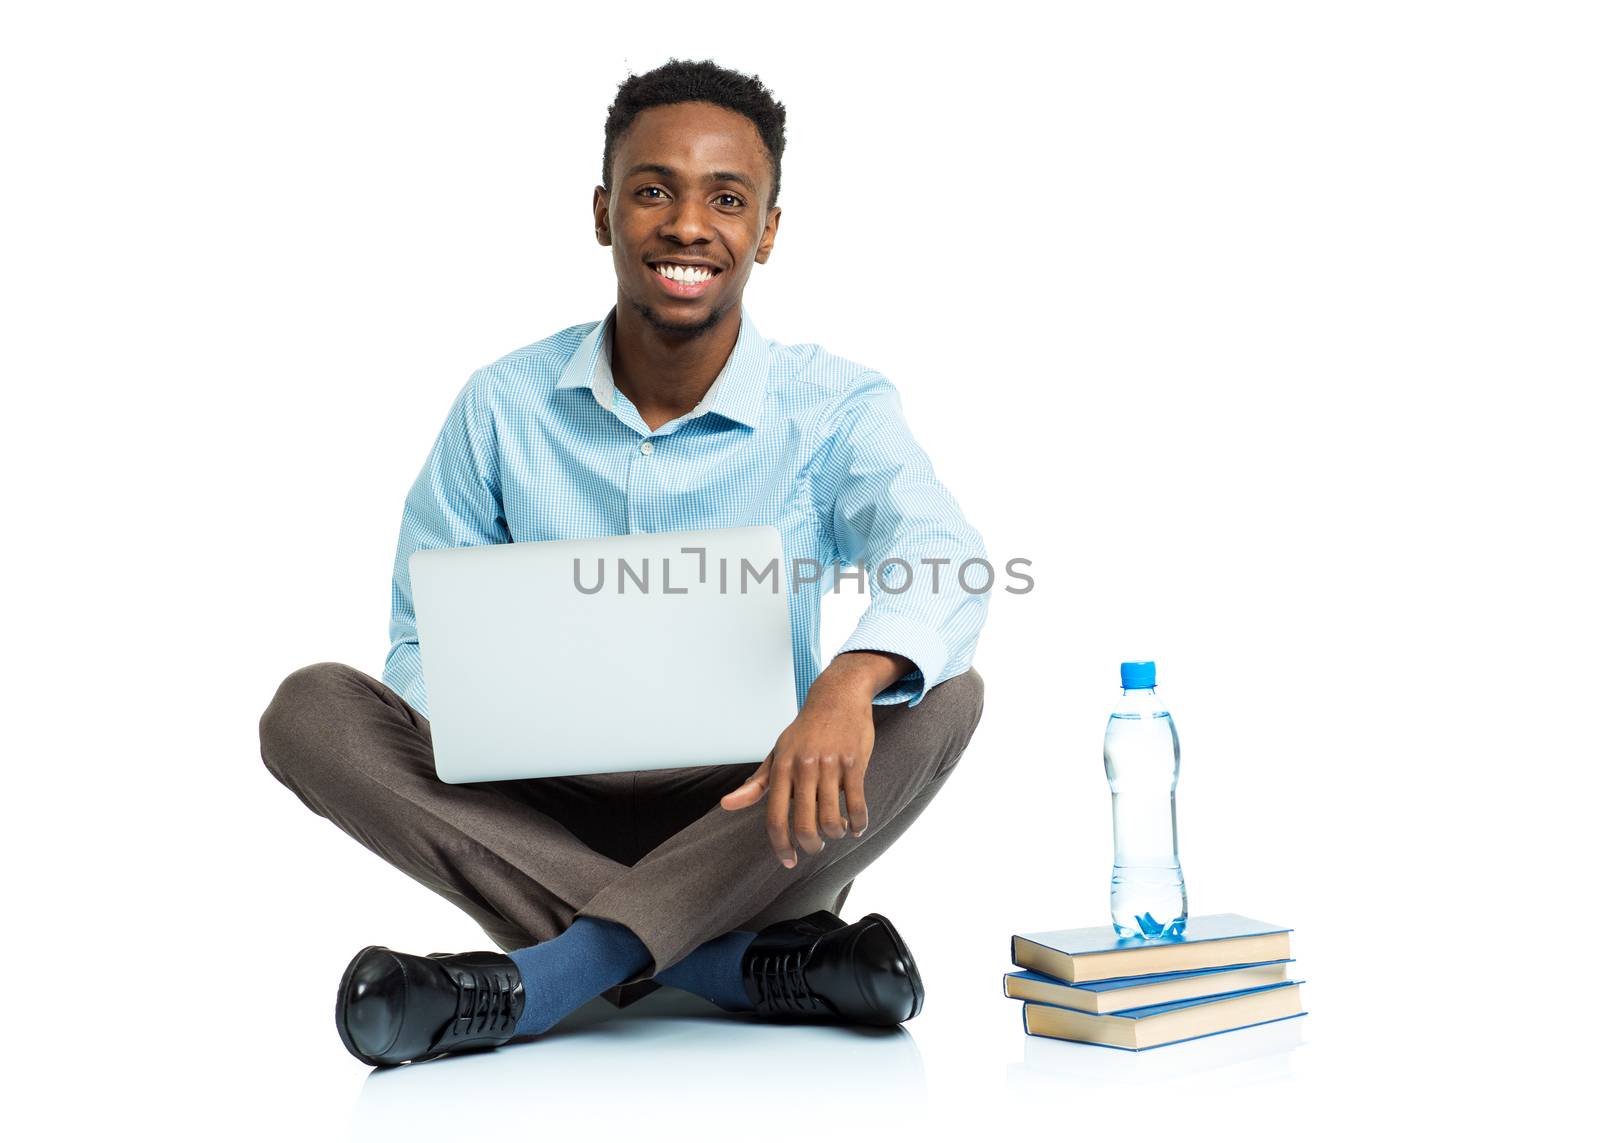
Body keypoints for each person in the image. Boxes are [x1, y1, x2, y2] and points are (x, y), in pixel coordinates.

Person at [259, 57, 988, 1069]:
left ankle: (542, 978)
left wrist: (847, 683)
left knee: (943, 694)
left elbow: (943, 560)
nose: (689, 224)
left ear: (767, 230)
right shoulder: (501, 407)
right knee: (312, 712)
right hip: (536, 809)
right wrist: (495, 724)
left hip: (752, 813)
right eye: (654, 190)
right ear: (604, 213)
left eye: (727, 198)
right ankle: (731, 963)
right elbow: (420, 639)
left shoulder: (835, 406)